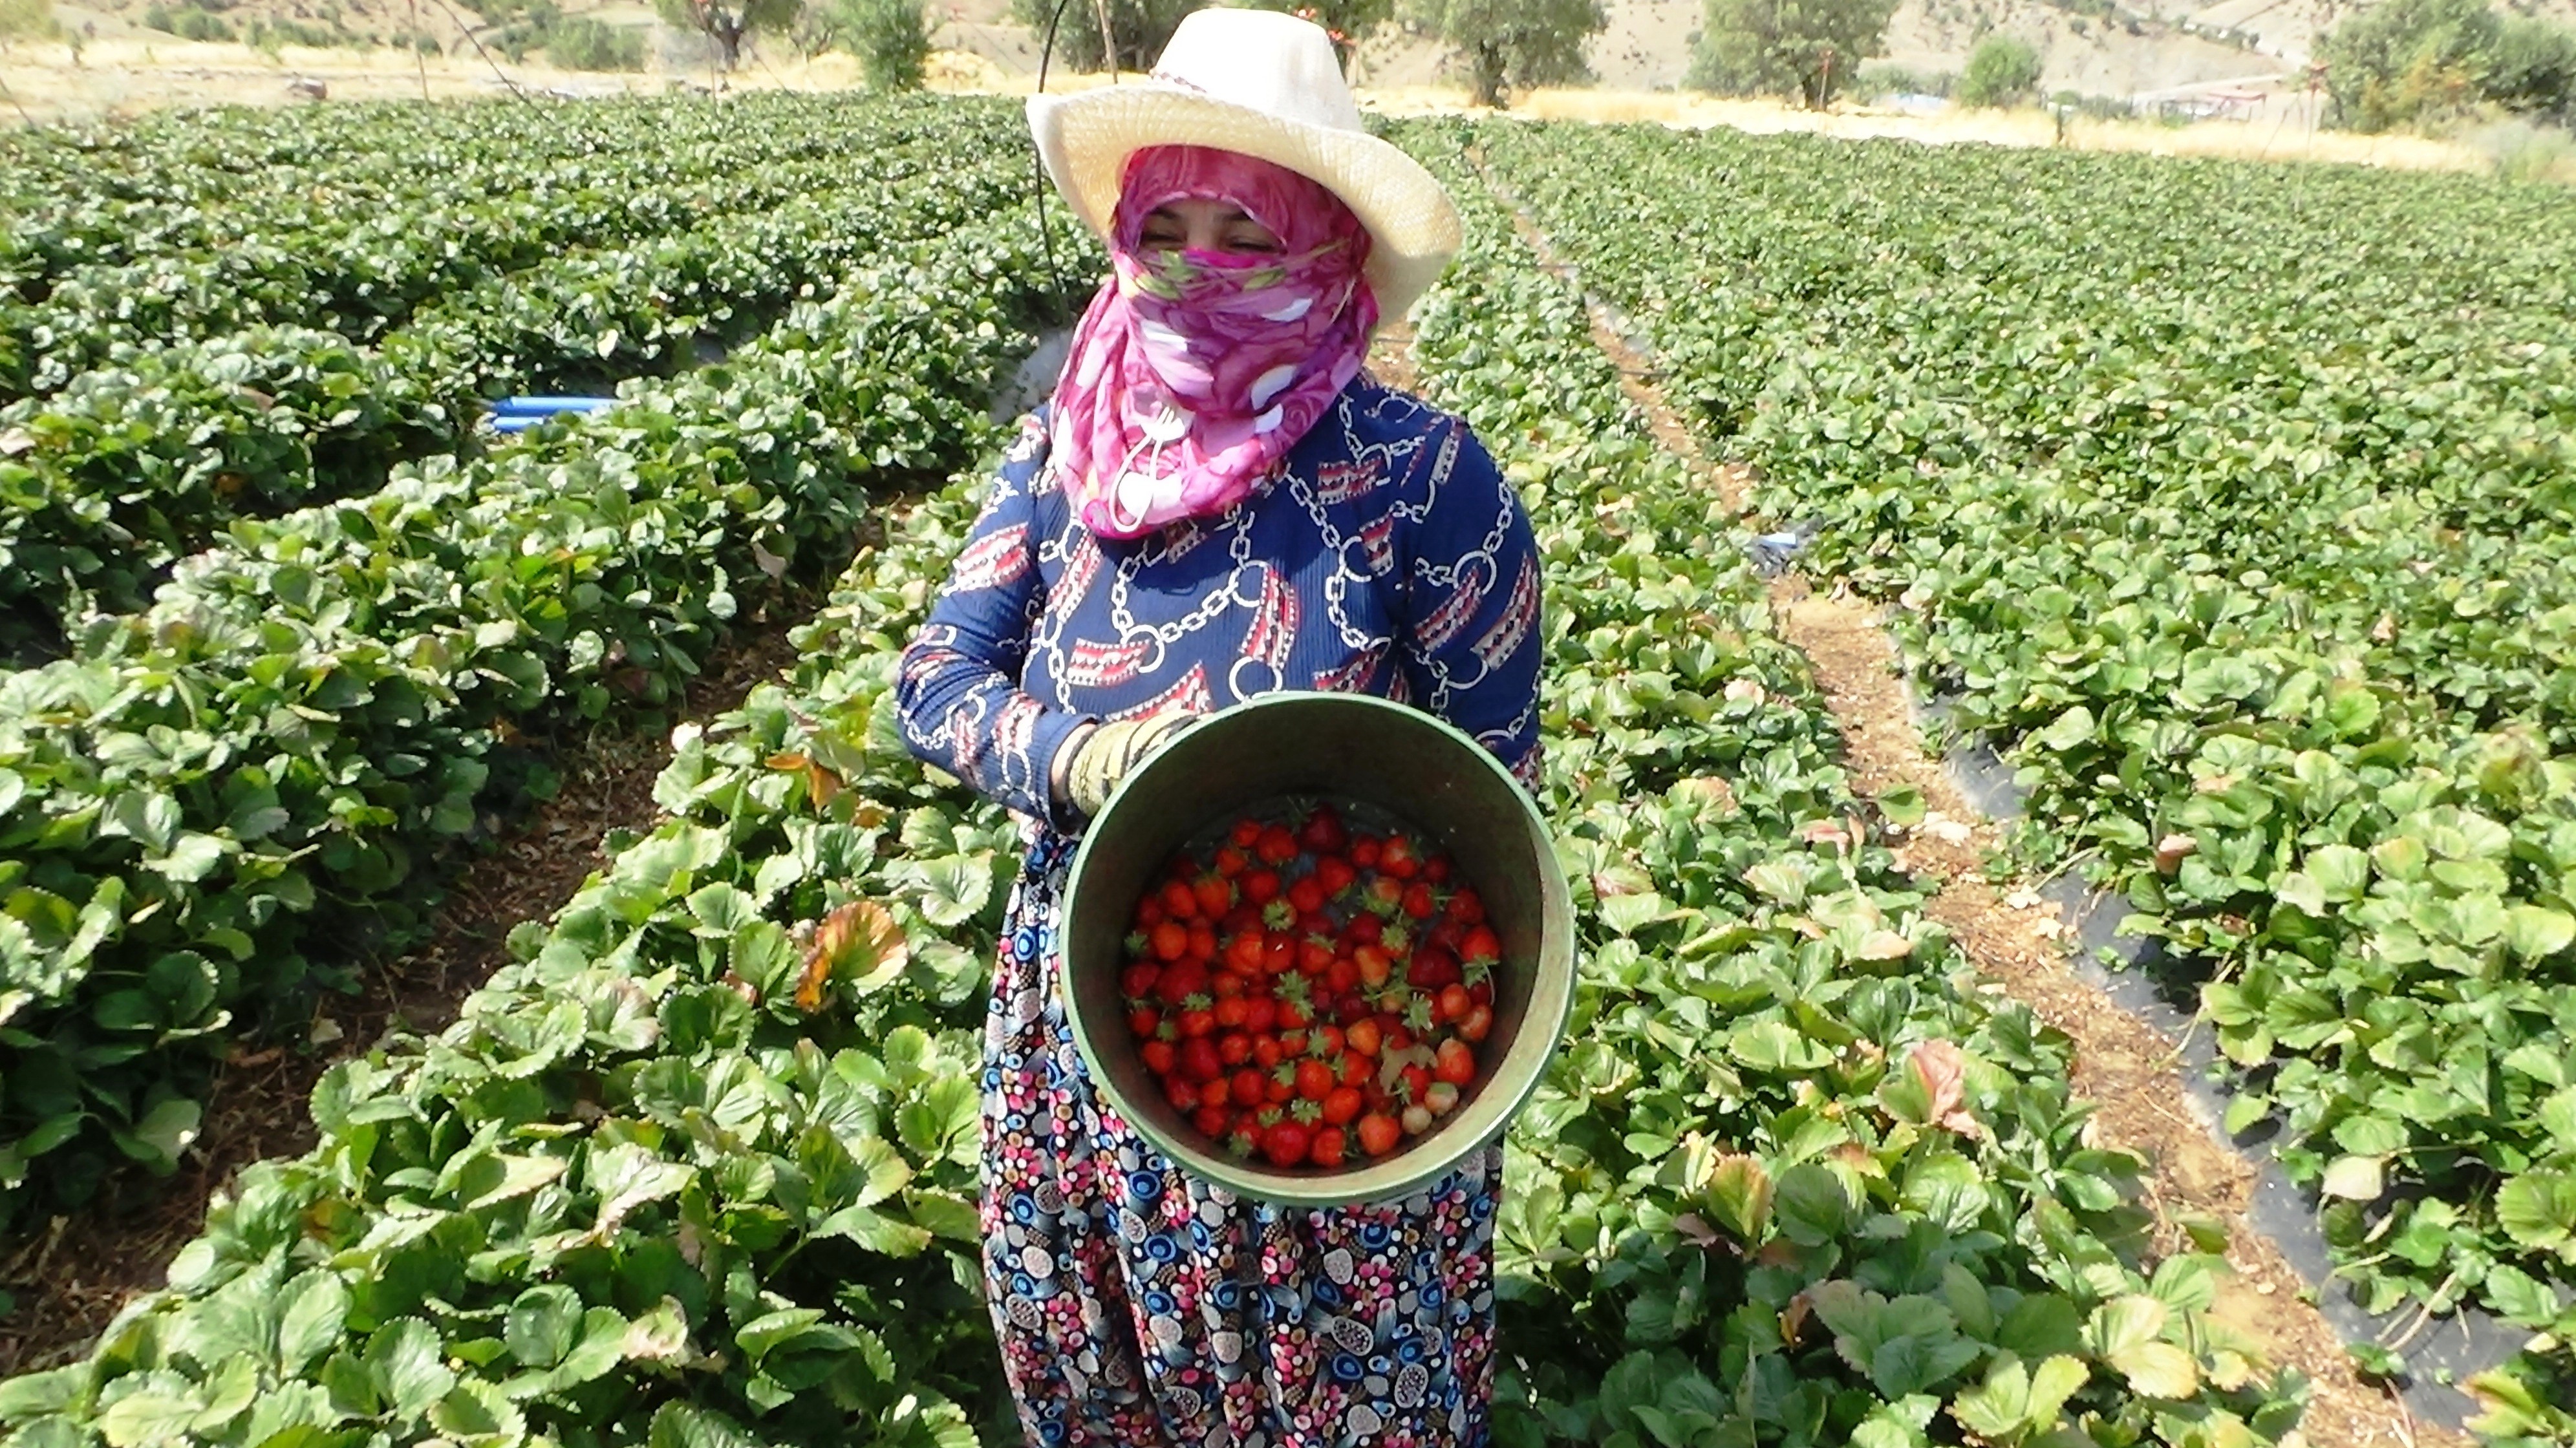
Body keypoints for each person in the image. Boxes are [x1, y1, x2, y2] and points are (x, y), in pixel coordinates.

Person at [895, 10, 1543, 1443]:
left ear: (1329, 250)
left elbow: (1499, 799)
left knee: (1341, 1388)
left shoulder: (1426, 481)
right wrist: (1072, 759)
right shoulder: (1066, 456)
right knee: (1108, 1367)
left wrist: (1402, 1011)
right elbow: (933, 679)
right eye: (1163, 225)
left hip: (1343, 1017)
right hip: (1092, 1009)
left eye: (1244, 234)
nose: (1194, 271)